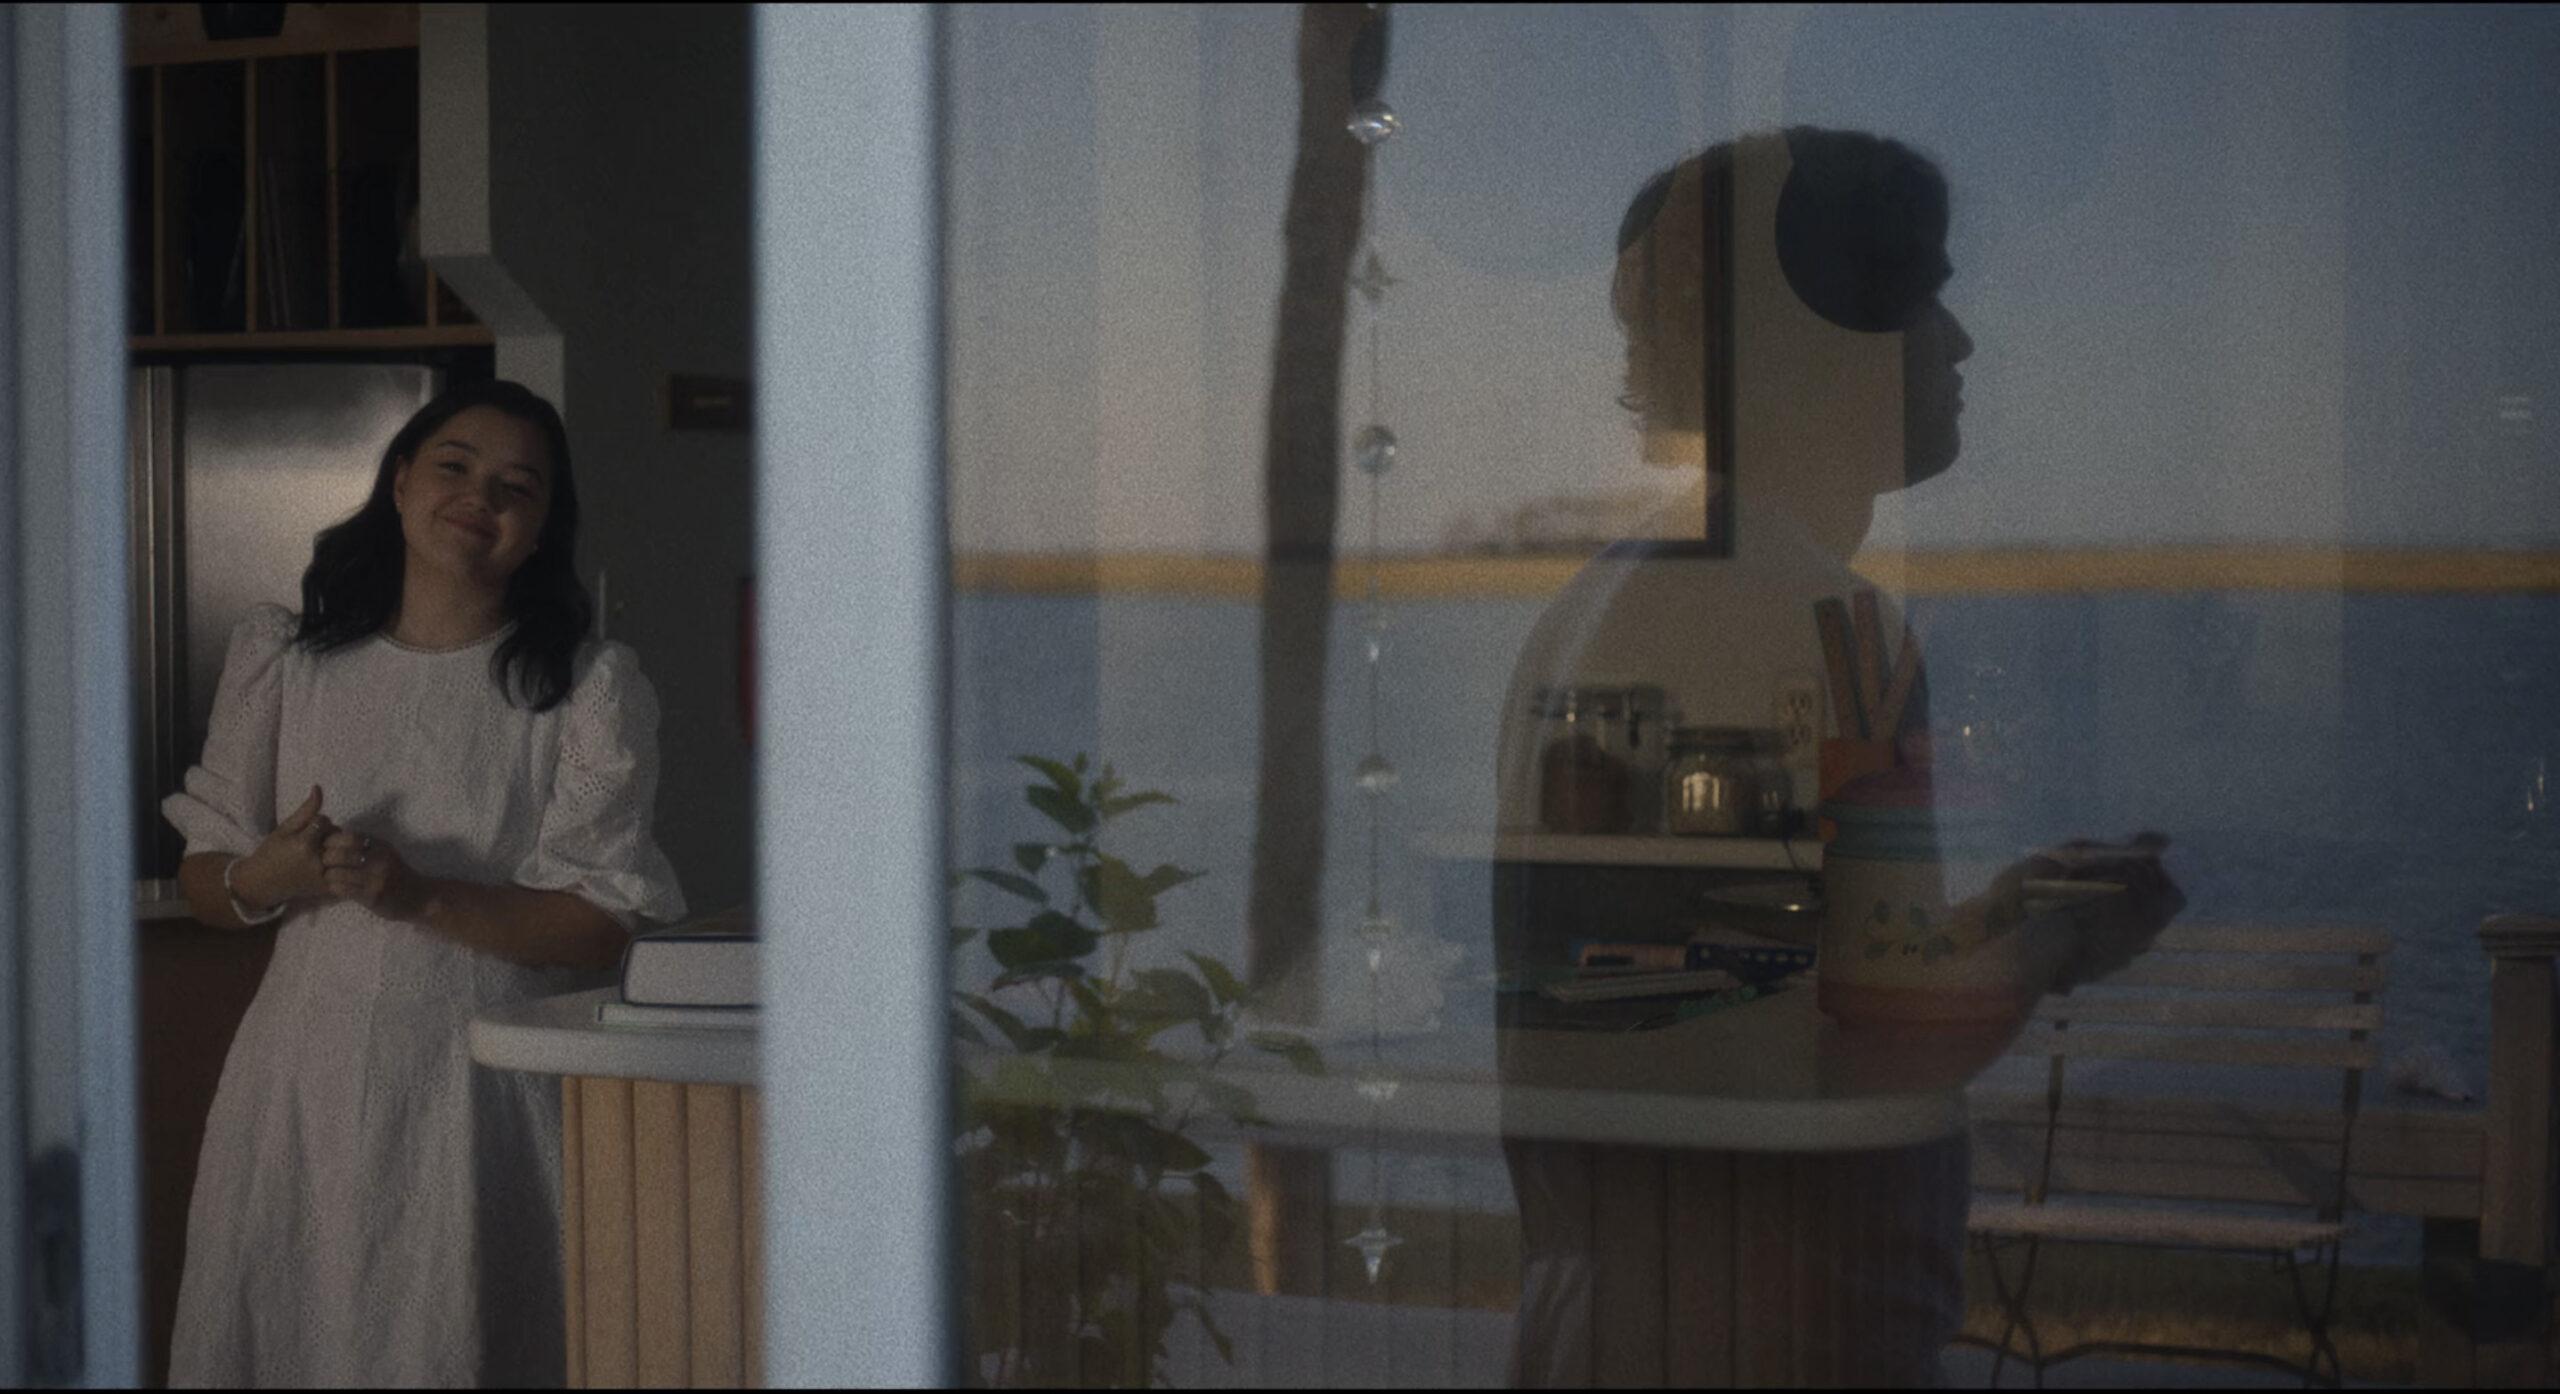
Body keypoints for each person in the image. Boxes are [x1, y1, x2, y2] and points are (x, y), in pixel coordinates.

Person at [1492, 129, 2182, 1385]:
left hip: (1620, 1310)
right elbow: (1877, 1034)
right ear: (1812, 346)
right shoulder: (1831, 623)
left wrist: (1996, 911)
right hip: (1777, 1329)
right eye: (1917, 296)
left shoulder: (1599, 607)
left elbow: (1753, 992)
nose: (1958, 343)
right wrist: (2059, 942)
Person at [162, 379, 687, 1387]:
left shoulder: (585, 689)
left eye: (516, 487)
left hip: (482, 1090)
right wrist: (266, 874)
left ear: (543, 528)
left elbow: (602, 923)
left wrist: (420, 897)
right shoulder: (285, 661)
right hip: (299, 1083)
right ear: (400, 480)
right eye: (454, 465)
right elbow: (206, 887)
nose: (478, 497)